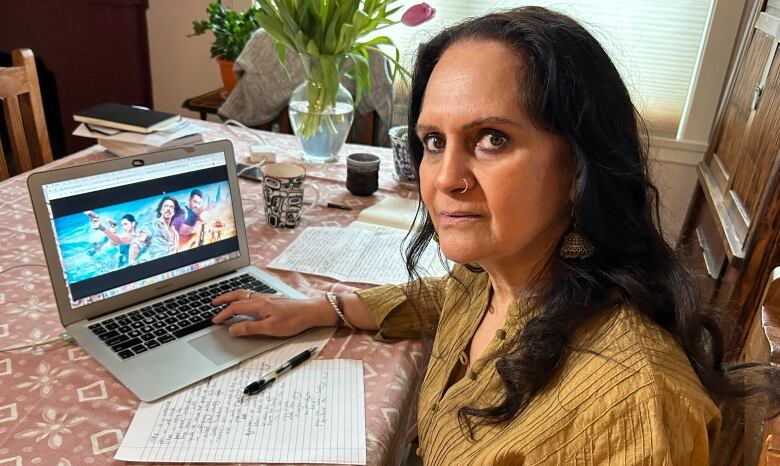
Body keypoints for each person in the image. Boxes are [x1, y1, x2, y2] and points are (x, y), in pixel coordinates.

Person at [209, 7, 780, 464]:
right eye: (434, 141)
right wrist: (320, 307)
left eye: (492, 140)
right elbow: (437, 298)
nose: (447, 179)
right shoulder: (498, 277)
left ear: (580, 164)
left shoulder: (634, 409)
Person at [129, 196, 181, 264]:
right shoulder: (151, 226)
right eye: (166, 206)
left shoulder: (175, 234)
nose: (168, 209)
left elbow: (177, 255)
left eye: (171, 207)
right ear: (161, 210)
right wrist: (132, 262)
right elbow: (136, 243)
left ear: (174, 212)